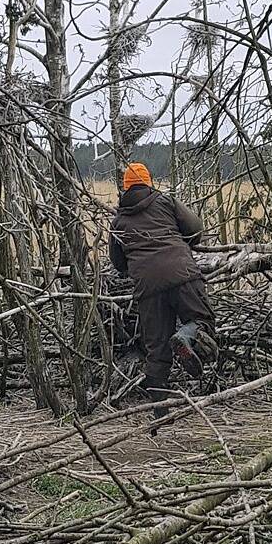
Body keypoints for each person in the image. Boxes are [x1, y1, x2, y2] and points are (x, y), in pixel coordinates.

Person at [109, 163, 217, 403]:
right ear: (149, 182)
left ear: (125, 187)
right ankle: (186, 336)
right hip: (182, 275)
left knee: (156, 352)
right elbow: (195, 229)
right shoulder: (165, 202)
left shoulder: (118, 222)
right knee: (202, 320)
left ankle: (160, 412)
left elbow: (118, 263)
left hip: (148, 288)